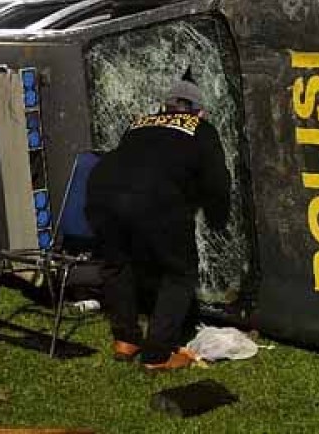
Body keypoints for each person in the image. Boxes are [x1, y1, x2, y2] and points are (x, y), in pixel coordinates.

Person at [85, 76, 230, 371]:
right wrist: (217, 212)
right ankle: (158, 354)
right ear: (199, 112)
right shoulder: (202, 129)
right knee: (179, 273)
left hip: (100, 190)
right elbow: (217, 181)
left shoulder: (139, 123)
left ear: (164, 107)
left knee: (117, 264)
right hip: (155, 198)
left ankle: (126, 340)